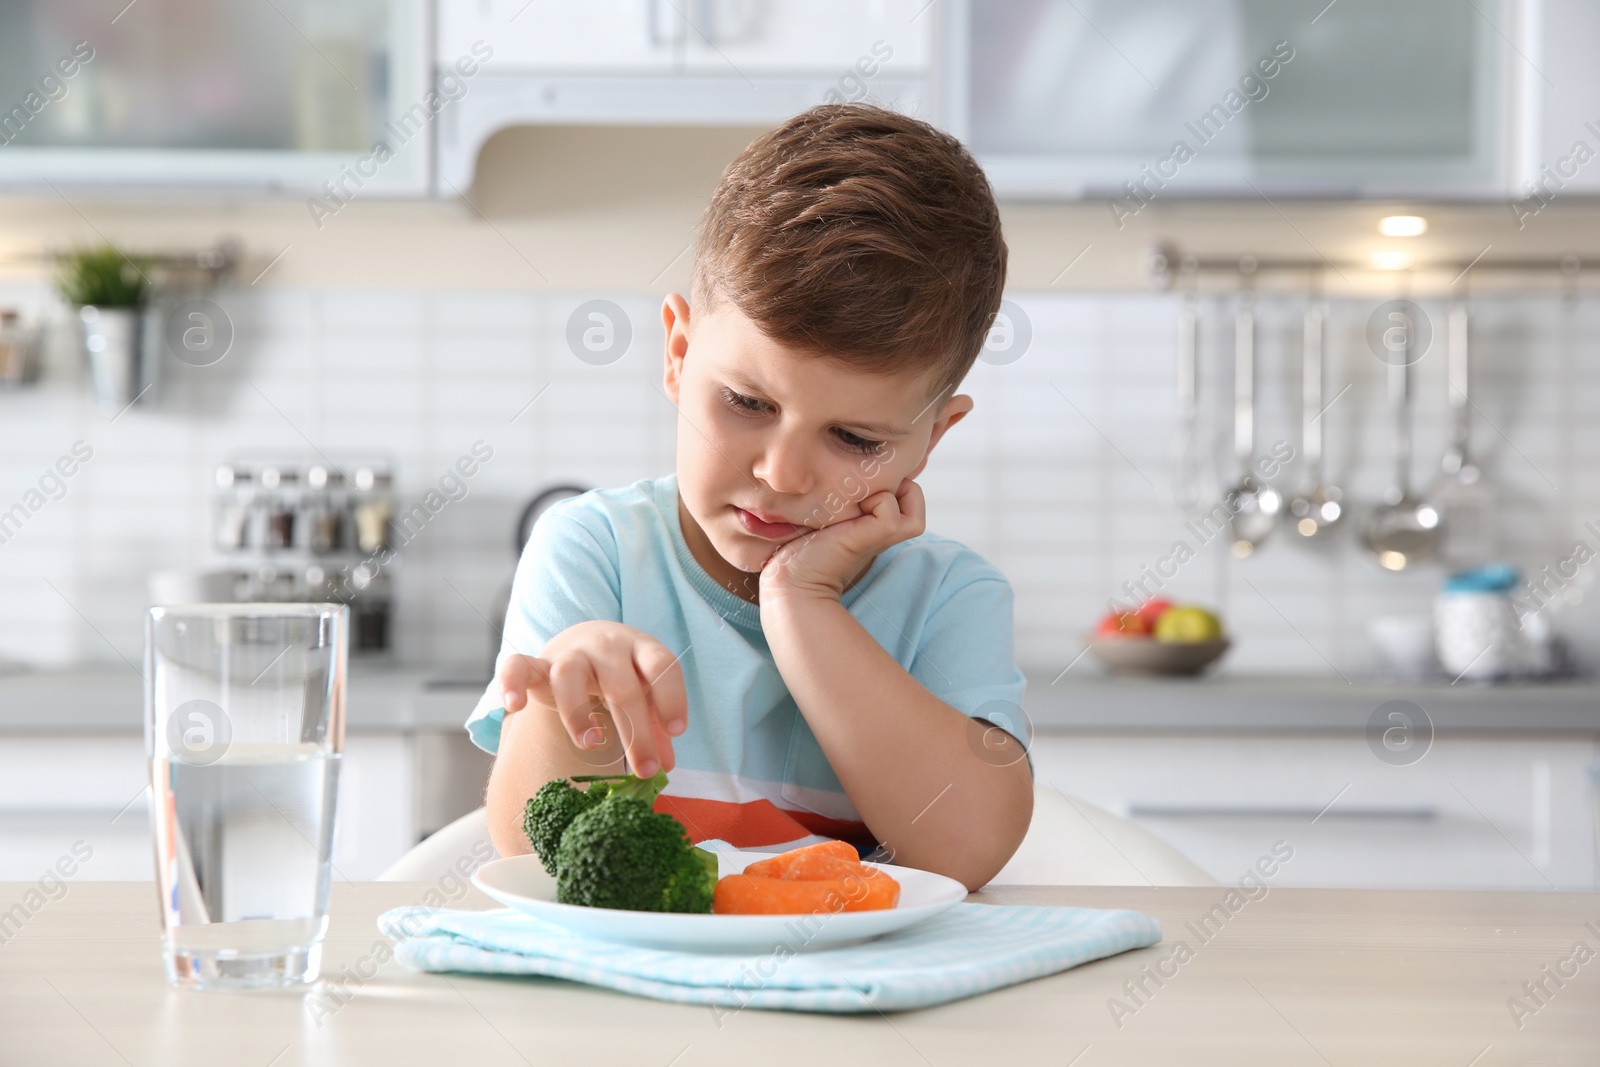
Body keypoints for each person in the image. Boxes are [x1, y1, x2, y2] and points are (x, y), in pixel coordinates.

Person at [469, 103, 1032, 892]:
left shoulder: (947, 598)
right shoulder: (593, 552)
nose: (783, 474)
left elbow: (964, 849)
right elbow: (533, 856)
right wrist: (573, 700)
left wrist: (802, 602)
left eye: (856, 441)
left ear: (931, 440)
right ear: (677, 353)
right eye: (746, 403)